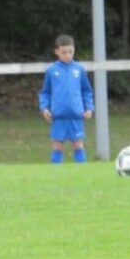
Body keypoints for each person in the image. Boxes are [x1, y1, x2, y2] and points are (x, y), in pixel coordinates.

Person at [38, 34, 94, 163]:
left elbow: (87, 91)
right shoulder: (52, 70)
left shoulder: (79, 69)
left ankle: (81, 173)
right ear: (57, 52)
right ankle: (55, 174)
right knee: (57, 145)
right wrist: (44, 108)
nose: (68, 55)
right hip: (58, 115)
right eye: (64, 52)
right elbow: (45, 92)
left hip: (76, 114)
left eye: (70, 52)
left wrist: (89, 108)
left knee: (78, 144)